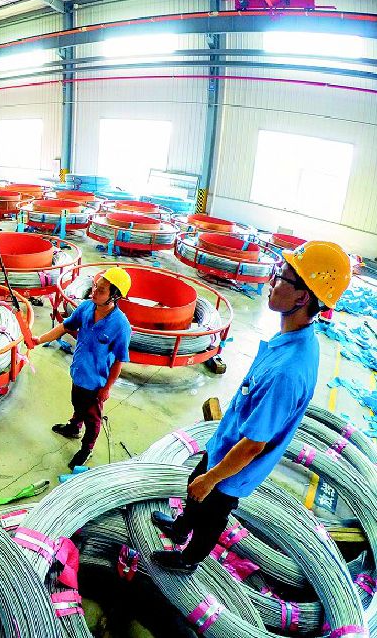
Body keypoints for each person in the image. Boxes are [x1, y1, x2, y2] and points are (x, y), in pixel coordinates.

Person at [151, 241, 352, 574]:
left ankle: (189, 560)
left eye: (281, 277)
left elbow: (253, 446)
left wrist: (213, 479)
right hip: (224, 445)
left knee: (211, 511)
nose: (271, 282)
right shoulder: (292, 339)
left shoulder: (288, 370)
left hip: (233, 467)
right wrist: (206, 475)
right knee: (195, 486)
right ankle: (181, 527)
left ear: (302, 297)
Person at [33, 267, 132, 470]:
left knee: (92, 419)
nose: (94, 292)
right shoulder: (86, 307)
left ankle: (87, 449)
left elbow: (119, 361)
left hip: (96, 383)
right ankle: (74, 427)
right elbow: (65, 326)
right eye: (95, 286)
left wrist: (107, 388)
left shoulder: (121, 325)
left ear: (114, 296)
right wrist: (39, 339)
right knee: (77, 402)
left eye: (101, 290)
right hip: (78, 372)